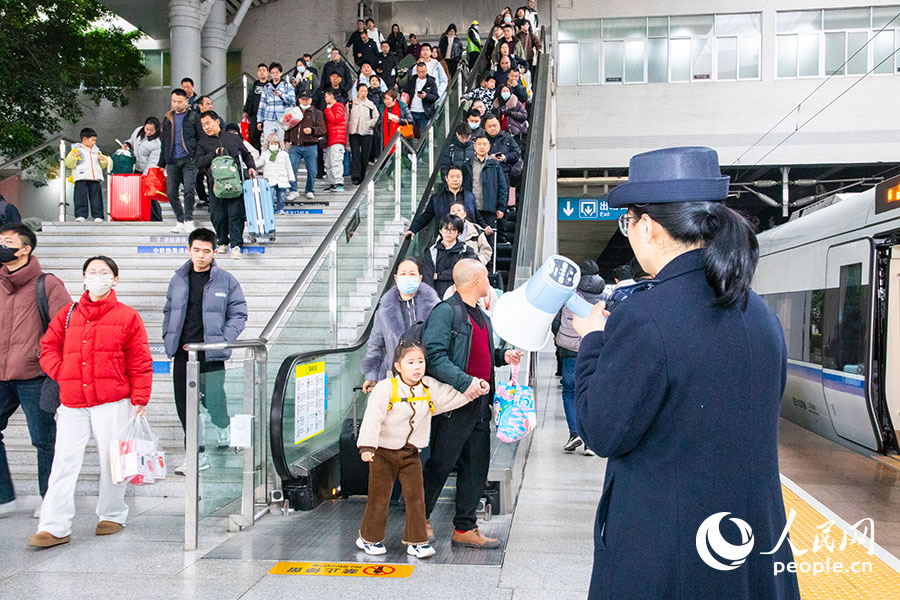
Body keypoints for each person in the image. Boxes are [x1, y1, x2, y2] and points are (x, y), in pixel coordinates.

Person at [571, 146, 801, 600]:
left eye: (628, 222)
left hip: (667, 556)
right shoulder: (758, 313)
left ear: (649, 228)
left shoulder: (645, 318)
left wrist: (595, 339)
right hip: (751, 551)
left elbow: (602, 430)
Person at [30, 256, 152, 548]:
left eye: (104, 273)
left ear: (115, 280)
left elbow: (140, 360)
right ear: (83, 279)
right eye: (91, 272)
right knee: (63, 463)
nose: (97, 277)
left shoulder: (127, 316)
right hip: (72, 402)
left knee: (112, 461)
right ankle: (53, 526)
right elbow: (47, 346)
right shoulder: (69, 314)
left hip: (112, 400)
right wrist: (62, 372)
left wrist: (140, 397)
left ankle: (112, 514)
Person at [422, 259, 522, 547]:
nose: (489, 280)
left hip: (480, 407)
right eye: (486, 276)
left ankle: (465, 528)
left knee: (475, 469)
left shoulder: (483, 317)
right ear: (477, 280)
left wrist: (503, 357)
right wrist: (466, 382)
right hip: (454, 406)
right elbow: (434, 356)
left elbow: (482, 353)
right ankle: (419, 519)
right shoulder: (446, 312)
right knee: (440, 464)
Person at [356, 339, 474, 558]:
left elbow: (448, 397)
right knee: (379, 497)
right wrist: (367, 446)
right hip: (382, 452)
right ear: (398, 366)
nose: (417, 367)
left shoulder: (427, 386)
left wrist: (472, 390)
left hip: (411, 453)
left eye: (420, 362)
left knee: (416, 497)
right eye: (410, 362)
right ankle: (369, 538)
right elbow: (372, 418)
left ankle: (417, 541)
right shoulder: (385, 388)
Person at [163, 228, 248, 474]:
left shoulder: (226, 280)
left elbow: (239, 313)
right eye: (196, 250)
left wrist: (223, 339)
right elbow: (169, 310)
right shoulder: (178, 278)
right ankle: (196, 456)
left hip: (211, 352)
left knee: (214, 400)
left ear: (214, 252)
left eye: (206, 251)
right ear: (188, 250)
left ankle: (223, 427)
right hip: (182, 353)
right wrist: (168, 337)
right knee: (185, 406)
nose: (201, 256)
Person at [0, 224, 71, 519]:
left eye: (7, 242)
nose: (2, 246)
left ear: (26, 248)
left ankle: (49, 497)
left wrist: (49, 363)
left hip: (34, 375)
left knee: (44, 439)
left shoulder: (48, 284)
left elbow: (64, 327)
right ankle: (4, 497)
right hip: (2, 375)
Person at [361, 257, 441, 392]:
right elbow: (375, 345)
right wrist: (371, 375)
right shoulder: (384, 312)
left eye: (412, 274)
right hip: (394, 378)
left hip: (427, 377)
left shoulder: (435, 308)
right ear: (396, 278)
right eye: (403, 274)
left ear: (420, 278)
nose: (407, 277)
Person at [550, 259, 604, 454]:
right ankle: (590, 441)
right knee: (592, 392)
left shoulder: (569, 295)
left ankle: (575, 433)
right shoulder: (604, 296)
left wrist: (560, 336)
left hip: (570, 350)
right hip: (595, 348)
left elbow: (556, 322)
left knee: (570, 391)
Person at [194, 111, 258, 260]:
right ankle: (222, 241)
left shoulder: (233, 138)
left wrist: (251, 167)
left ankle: (236, 245)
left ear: (217, 121)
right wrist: (213, 155)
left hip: (234, 183)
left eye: (208, 123)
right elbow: (199, 163)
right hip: (215, 184)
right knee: (217, 215)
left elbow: (247, 154)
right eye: (203, 125)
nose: (206, 127)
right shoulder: (202, 143)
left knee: (235, 213)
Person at [159, 88, 203, 233]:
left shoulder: (194, 117)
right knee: (171, 192)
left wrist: (198, 156)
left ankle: (188, 219)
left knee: (189, 189)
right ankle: (180, 218)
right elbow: (164, 142)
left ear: (186, 101)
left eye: (179, 102)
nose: (176, 104)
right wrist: (161, 163)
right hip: (172, 160)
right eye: (174, 101)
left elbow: (201, 138)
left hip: (189, 159)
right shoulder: (168, 119)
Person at [407, 166, 488, 237]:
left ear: (462, 178)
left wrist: (485, 227)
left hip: (467, 237)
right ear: (446, 178)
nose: (455, 179)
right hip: (445, 237)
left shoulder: (470, 196)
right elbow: (426, 217)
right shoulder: (437, 198)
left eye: (458, 176)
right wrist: (413, 230)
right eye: (452, 176)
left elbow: (477, 216)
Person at [421, 214, 477, 298]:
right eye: (445, 228)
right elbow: (427, 277)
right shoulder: (432, 251)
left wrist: (439, 275)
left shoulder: (466, 251)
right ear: (440, 230)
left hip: (461, 297)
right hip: (436, 297)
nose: (448, 232)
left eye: (453, 229)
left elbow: (468, 273)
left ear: (459, 233)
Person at [286, 91, 326, 200]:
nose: (305, 101)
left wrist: (312, 130)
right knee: (291, 169)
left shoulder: (316, 113)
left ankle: (309, 190)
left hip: (311, 145)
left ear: (311, 100)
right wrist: (286, 140)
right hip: (295, 145)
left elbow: (322, 129)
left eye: (307, 99)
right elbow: (287, 126)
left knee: (312, 170)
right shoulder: (293, 112)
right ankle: (293, 190)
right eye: (302, 98)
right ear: (298, 99)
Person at [65, 128, 109, 223]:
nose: (94, 142)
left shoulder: (96, 151)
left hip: (95, 178)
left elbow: (104, 164)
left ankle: (98, 215)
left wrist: (103, 160)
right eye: (93, 140)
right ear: (84, 139)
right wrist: (74, 156)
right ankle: (80, 215)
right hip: (81, 177)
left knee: (96, 198)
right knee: (80, 197)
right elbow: (68, 163)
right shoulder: (76, 149)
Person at [471, 134, 509, 237]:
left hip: (489, 209)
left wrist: (501, 207)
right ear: (474, 146)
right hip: (471, 209)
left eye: (484, 144)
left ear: (489, 146)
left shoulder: (495, 165)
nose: (482, 147)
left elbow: (503, 187)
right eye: (479, 144)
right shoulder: (468, 165)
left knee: (489, 241)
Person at [347, 85, 379, 185]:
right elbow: (346, 117)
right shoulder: (351, 103)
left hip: (367, 132)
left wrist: (368, 124)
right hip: (354, 131)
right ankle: (355, 175)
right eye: (361, 91)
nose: (363, 93)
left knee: (365, 154)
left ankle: (362, 175)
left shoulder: (371, 104)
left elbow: (376, 117)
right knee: (355, 153)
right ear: (357, 92)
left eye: (365, 91)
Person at [257, 62, 295, 143]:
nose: (275, 75)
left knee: (282, 142)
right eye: (273, 73)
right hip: (269, 118)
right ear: (270, 74)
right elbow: (262, 104)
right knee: (268, 142)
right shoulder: (267, 87)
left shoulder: (287, 85)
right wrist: (259, 120)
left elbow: (292, 101)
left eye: (277, 73)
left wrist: (281, 95)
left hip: (282, 119)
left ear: (281, 73)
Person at [260, 133, 295, 215]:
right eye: (271, 144)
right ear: (268, 144)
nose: (273, 145)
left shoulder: (284, 154)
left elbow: (288, 166)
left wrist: (291, 177)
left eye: (275, 143)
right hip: (270, 179)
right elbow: (259, 163)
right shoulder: (265, 154)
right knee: (270, 195)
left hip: (281, 179)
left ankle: (280, 209)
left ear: (279, 144)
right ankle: (270, 210)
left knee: (282, 195)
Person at [448, 201, 491, 265]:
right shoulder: (445, 230)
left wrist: (478, 261)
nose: (456, 213)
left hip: (472, 267)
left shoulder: (475, 229)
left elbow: (486, 250)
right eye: (453, 211)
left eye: (459, 210)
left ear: (465, 214)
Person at [402, 63, 439, 136]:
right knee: (407, 135)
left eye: (423, 71)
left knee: (423, 136)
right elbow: (405, 92)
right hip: (411, 111)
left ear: (426, 70)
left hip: (424, 113)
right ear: (416, 71)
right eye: (419, 72)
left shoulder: (431, 82)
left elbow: (435, 96)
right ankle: (407, 147)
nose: (421, 74)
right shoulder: (411, 80)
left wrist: (426, 96)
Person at [484, 114, 521, 187]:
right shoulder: (481, 139)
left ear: (499, 125)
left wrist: (506, 157)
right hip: (486, 174)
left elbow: (516, 153)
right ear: (485, 127)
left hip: (504, 173)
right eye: (489, 126)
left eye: (494, 126)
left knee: (503, 197)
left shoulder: (507, 138)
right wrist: (488, 158)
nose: (492, 128)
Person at [437, 124, 475, 192]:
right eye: (462, 137)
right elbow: (444, 168)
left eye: (467, 137)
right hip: (454, 186)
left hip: (472, 185)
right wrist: (448, 185)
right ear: (457, 134)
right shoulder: (450, 150)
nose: (464, 140)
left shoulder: (475, 148)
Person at [323, 90, 347, 193]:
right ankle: (333, 183)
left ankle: (339, 183)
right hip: (330, 139)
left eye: (326, 96)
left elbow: (336, 119)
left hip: (337, 139)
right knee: (328, 163)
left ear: (331, 96)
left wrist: (328, 110)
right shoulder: (331, 108)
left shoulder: (338, 106)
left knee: (336, 162)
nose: (325, 99)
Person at [242, 63, 269, 152]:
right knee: (253, 137)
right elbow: (249, 98)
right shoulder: (254, 85)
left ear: (267, 73)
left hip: (267, 116)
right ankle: (257, 155)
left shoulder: (270, 86)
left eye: (264, 70)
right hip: (254, 115)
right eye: (260, 70)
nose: (262, 72)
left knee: (268, 136)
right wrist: (246, 110)